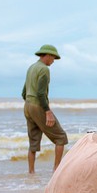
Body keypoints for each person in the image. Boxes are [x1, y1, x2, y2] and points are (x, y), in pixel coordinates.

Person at [22, 44, 68, 174]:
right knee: (61, 137)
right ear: (47, 55)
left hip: (27, 106)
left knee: (33, 142)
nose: (53, 61)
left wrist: (30, 107)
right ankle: (56, 170)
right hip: (37, 105)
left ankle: (31, 173)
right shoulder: (44, 70)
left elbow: (24, 92)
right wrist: (47, 111)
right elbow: (41, 94)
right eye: (53, 57)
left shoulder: (31, 68)